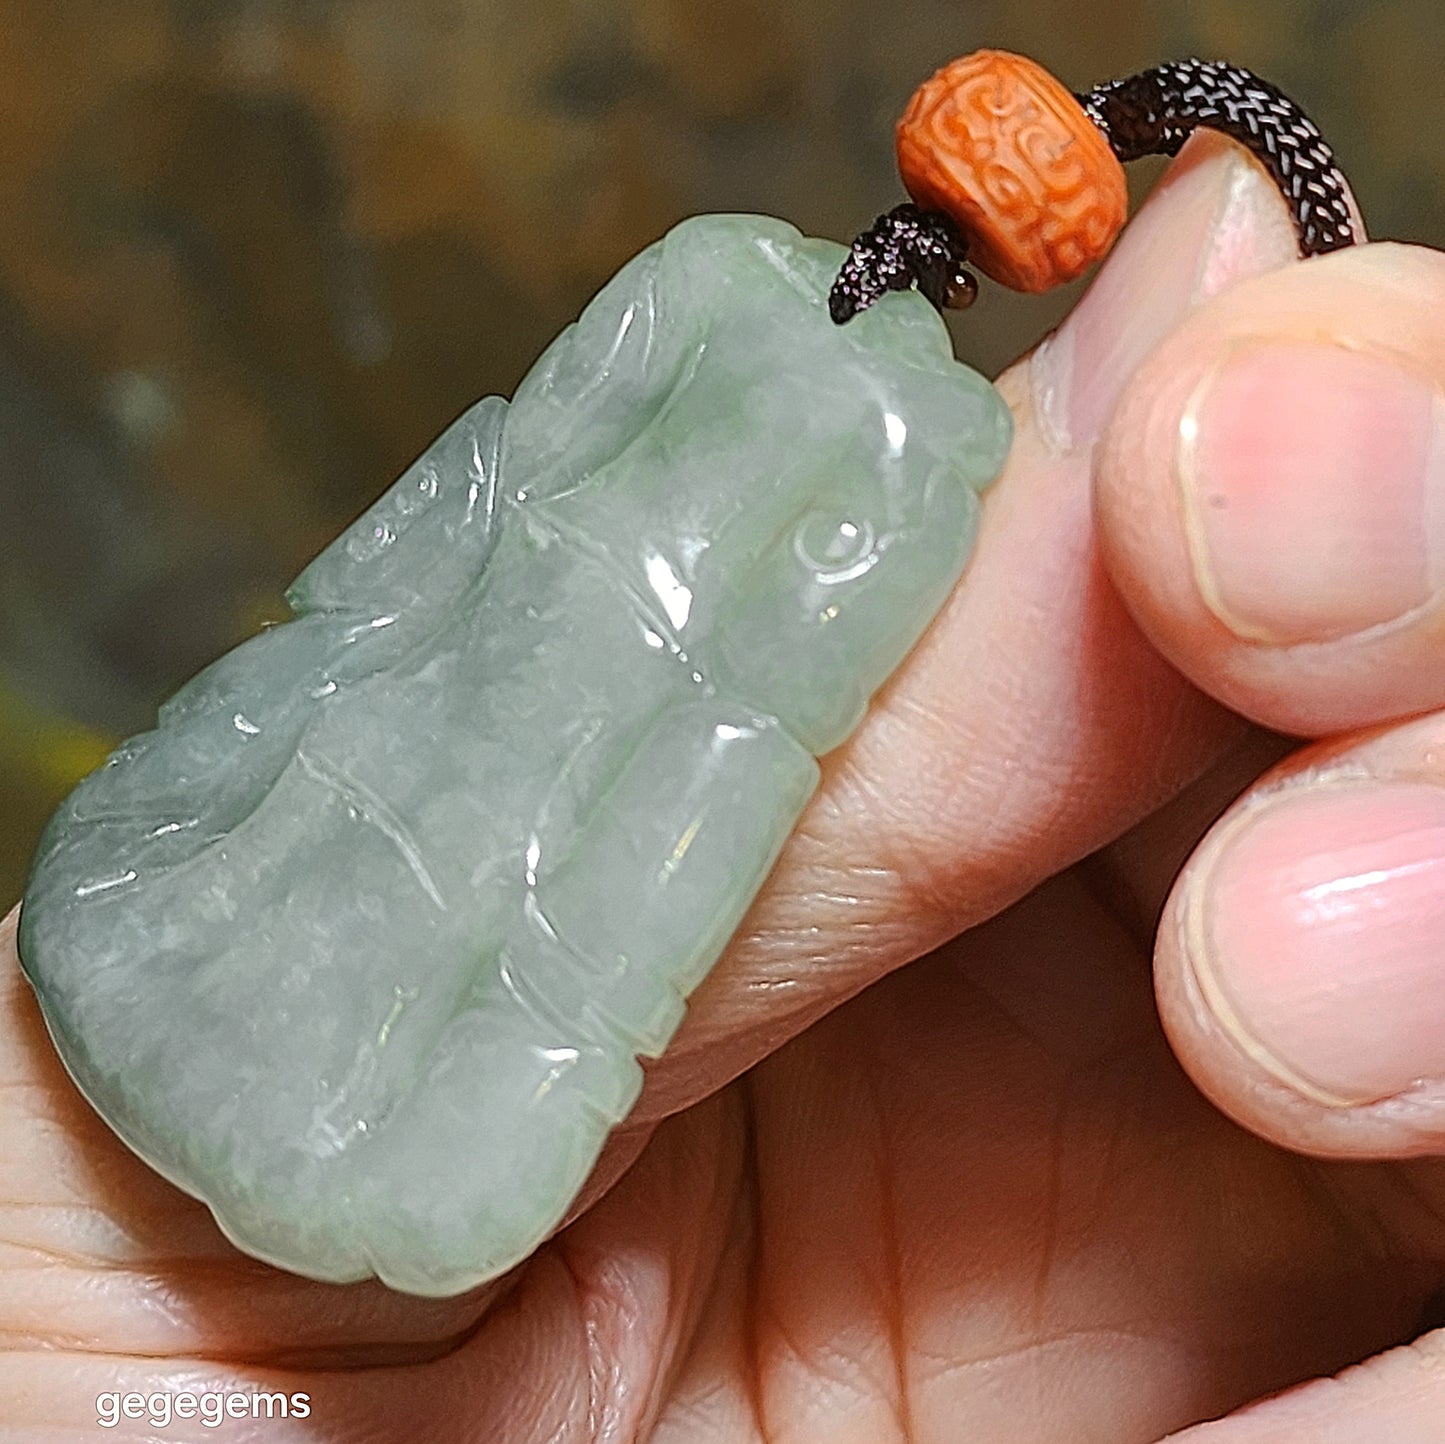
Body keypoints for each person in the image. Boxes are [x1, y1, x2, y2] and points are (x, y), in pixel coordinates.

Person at [3, 129, 1443, 1441]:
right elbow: (450, 531)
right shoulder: (749, 324)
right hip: (319, 844)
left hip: (523, 909)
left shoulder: (842, 398)